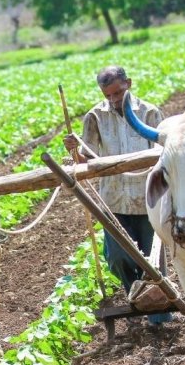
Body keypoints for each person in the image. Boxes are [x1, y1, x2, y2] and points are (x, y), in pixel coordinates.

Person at [64, 65, 173, 327]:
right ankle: (135, 293)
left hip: (148, 198)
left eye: (118, 93)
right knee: (116, 257)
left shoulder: (149, 112)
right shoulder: (95, 117)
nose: (114, 100)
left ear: (129, 84)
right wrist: (74, 151)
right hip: (113, 201)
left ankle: (159, 318)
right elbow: (84, 161)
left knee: (153, 259)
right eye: (109, 95)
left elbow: (165, 152)